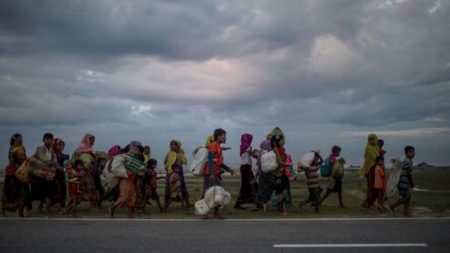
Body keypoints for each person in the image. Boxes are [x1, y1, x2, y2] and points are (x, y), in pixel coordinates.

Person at [202, 128, 234, 219]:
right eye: (224, 136)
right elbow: (211, 160)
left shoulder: (218, 147)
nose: (225, 138)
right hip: (210, 174)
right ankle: (205, 213)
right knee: (209, 192)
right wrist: (212, 173)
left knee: (217, 193)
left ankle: (215, 213)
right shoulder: (213, 146)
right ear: (218, 136)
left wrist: (228, 169)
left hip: (214, 173)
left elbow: (219, 162)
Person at [109, 141, 145, 218]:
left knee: (133, 197)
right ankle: (112, 208)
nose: (135, 151)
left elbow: (139, 169)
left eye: (137, 149)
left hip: (131, 181)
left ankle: (129, 215)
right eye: (133, 149)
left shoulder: (136, 159)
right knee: (124, 197)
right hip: (125, 180)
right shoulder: (126, 157)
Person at [29, 133, 60, 217]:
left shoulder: (52, 150)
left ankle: (48, 211)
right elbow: (45, 159)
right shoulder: (40, 149)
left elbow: (55, 162)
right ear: (43, 140)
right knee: (35, 193)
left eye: (50, 139)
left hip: (48, 175)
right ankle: (24, 207)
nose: (49, 141)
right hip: (38, 175)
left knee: (49, 193)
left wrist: (55, 165)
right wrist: (52, 164)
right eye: (47, 139)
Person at [2, 133, 29, 217]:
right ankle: (3, 211)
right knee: (11, 192)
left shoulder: (22, 148)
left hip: (21, 172)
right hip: (12, 172)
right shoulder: (12, 149)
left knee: (24, 191)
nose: (20, 141)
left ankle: (22, 210)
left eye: (21, 139)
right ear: (14, 140)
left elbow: (24, 158)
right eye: (18, 139)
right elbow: (12, 160)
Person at [267, 127, 292, 216]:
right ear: (277, 141)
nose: (283, 142)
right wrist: (287, 165)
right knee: (282, 191)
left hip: (282, 173)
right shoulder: (276, 150)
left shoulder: (281, 150)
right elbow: (279, 161)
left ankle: (282, 208)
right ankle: (281, 208)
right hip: (277, 175)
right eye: (282, 140)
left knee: (283, 191)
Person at [389, 146, 416, 217]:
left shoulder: (408, 161)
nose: (413, 154)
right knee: (406, 197)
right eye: (411, 152)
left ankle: (406, 212)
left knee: (408, 197)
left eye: (413, 152)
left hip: (404, 182)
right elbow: (408, 173)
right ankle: (392, 206)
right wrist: (411, 182)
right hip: (403, 182)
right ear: (406, 153)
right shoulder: (407, 161)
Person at [164, 140, 190, 211]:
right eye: (171, 145)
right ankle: (166, 203)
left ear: (178, 145)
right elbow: (165, 161)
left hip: (179, 172)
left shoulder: (181, 154)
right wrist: (170, 164)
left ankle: (187, 202)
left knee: (182, 187)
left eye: (174, 145)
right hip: (170, 172)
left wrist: (178, 165)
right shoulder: (169, 153)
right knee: (169, 188)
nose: (172, 146)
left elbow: (183, 161)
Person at [234, 133, 258, 209]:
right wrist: (261, 157)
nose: (251, 140)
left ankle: (239, 203)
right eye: (251, 139)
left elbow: (249, 154)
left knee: (245, 186)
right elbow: (253, 155)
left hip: (244, 168)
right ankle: (256, 202)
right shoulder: (247, 146)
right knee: (253, 183)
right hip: (246, 168)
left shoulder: (243, 146)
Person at [360, 134, 380, 209]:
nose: (371, 141)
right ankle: (366, 204)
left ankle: (370, 203)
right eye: (369, 139)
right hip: (370, 170)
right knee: (371, 189)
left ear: (376, 139)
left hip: (376, 170)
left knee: (376, 189)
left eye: (372, 139)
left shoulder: (376, 147)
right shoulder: (368, 148)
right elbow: (374, 159)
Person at [255, 140, 274, 210]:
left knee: (263, 190)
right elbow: (259, 167)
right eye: (268, 145)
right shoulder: (264, 154)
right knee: (265, 190)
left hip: (265, 174)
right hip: (265, 175)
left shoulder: (262, 154)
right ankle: (263, 204)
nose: (270, 146)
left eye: (270, 144)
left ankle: (261, 204)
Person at [52, 138, 70, 214]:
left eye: (62, 145)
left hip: (61, 175)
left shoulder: (62, 155)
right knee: (57, 191)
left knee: (63, 191)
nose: (61, 147)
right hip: (54, 175)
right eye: (59, 145)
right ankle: (59, 208)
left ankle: (62, 208)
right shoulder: (53, 154)